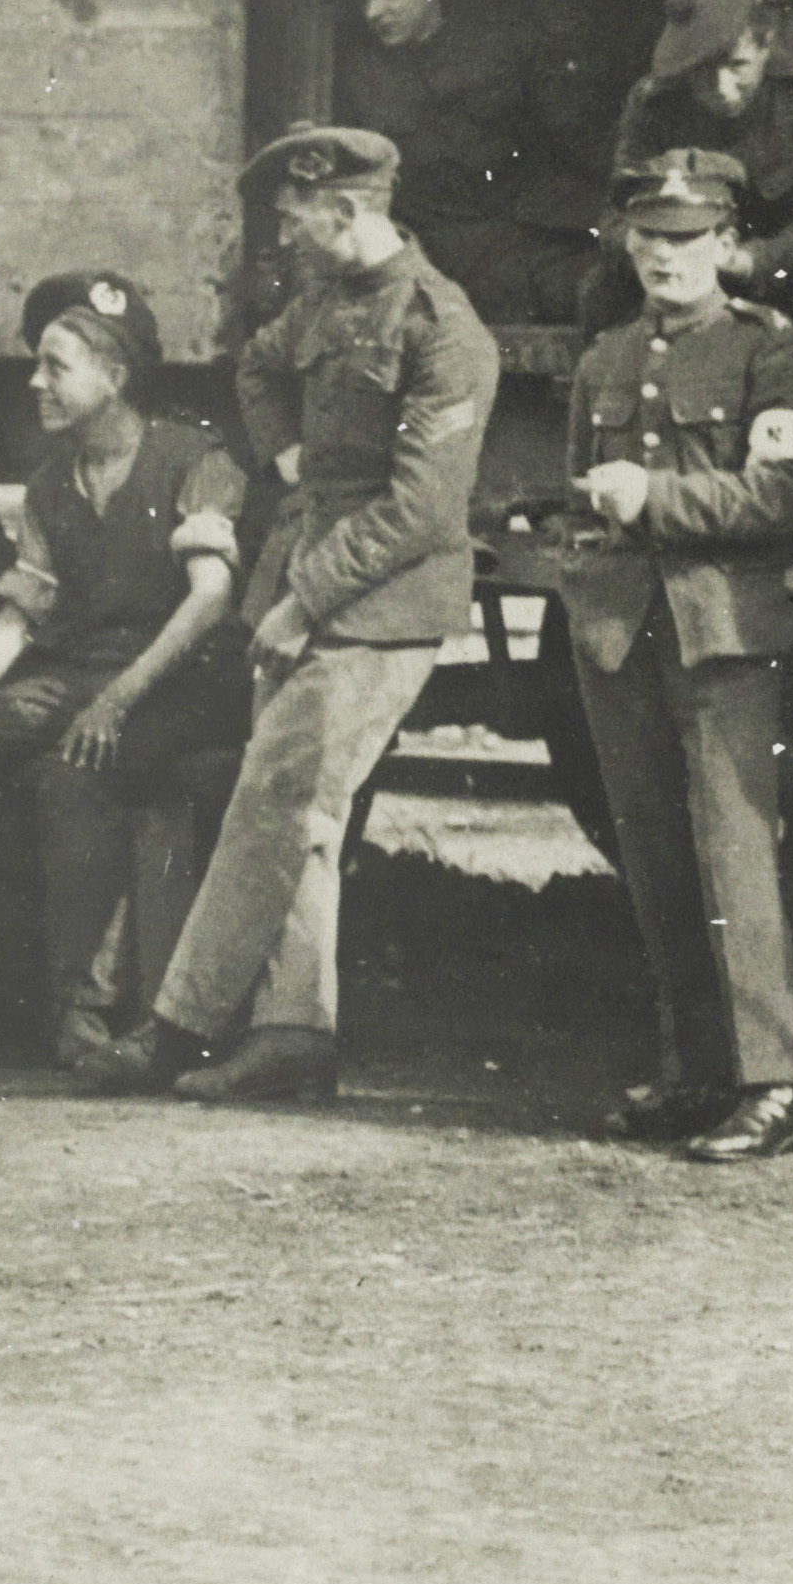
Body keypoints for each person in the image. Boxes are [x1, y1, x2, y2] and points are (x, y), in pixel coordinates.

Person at [86, 123, 495, 1107]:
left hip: (377, 605)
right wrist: (282, 460)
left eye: (295, 217)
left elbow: (421, 510)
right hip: (307, 580)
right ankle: (292, 1032)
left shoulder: (442, 327)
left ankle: (176, 1028)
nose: (283, 236)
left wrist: (304, 599)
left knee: (274, 801)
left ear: (346, 211)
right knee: (299, 815)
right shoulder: (323, 298)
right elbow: (259, 367)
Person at [0, 270, 250, 1070]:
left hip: (179, 683)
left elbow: (209, 602)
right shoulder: (51, 485)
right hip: (85, 677)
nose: (36, 383)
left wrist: (117, 701)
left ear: (115, 377)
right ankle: (27, 955)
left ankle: (79, 1002)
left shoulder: (194, 459)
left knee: (72, 775)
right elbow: (21, 619)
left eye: (57, 365)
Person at [545, 150, 793, 1164]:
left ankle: (771, 1079)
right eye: (649, 237)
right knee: (655, 852)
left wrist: (656, 499)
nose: (667, 255)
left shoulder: (770, 347)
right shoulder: (607, 356)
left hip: (722, 628)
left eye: (688, 237)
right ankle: (696, 1070)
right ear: (627, 245)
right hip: (623, 629)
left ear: (724, 243)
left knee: (734, 853)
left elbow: (783, 492)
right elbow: (581, 488)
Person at [598, 0, 793, 406]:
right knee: (602, 289)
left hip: (788, 266)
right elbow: (618, 212)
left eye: (737, 67)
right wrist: (653, 249)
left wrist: (752, 261)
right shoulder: (654, 104)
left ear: (765, 44)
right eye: (702, 73)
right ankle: (620, 432)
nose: (721, 89)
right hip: (688, 261)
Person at [322, 0, 601, 325]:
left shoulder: (502, 52)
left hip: (521, 261)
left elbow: (577, 146)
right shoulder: (356, 78)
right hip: (426, 273)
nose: (371, 12)